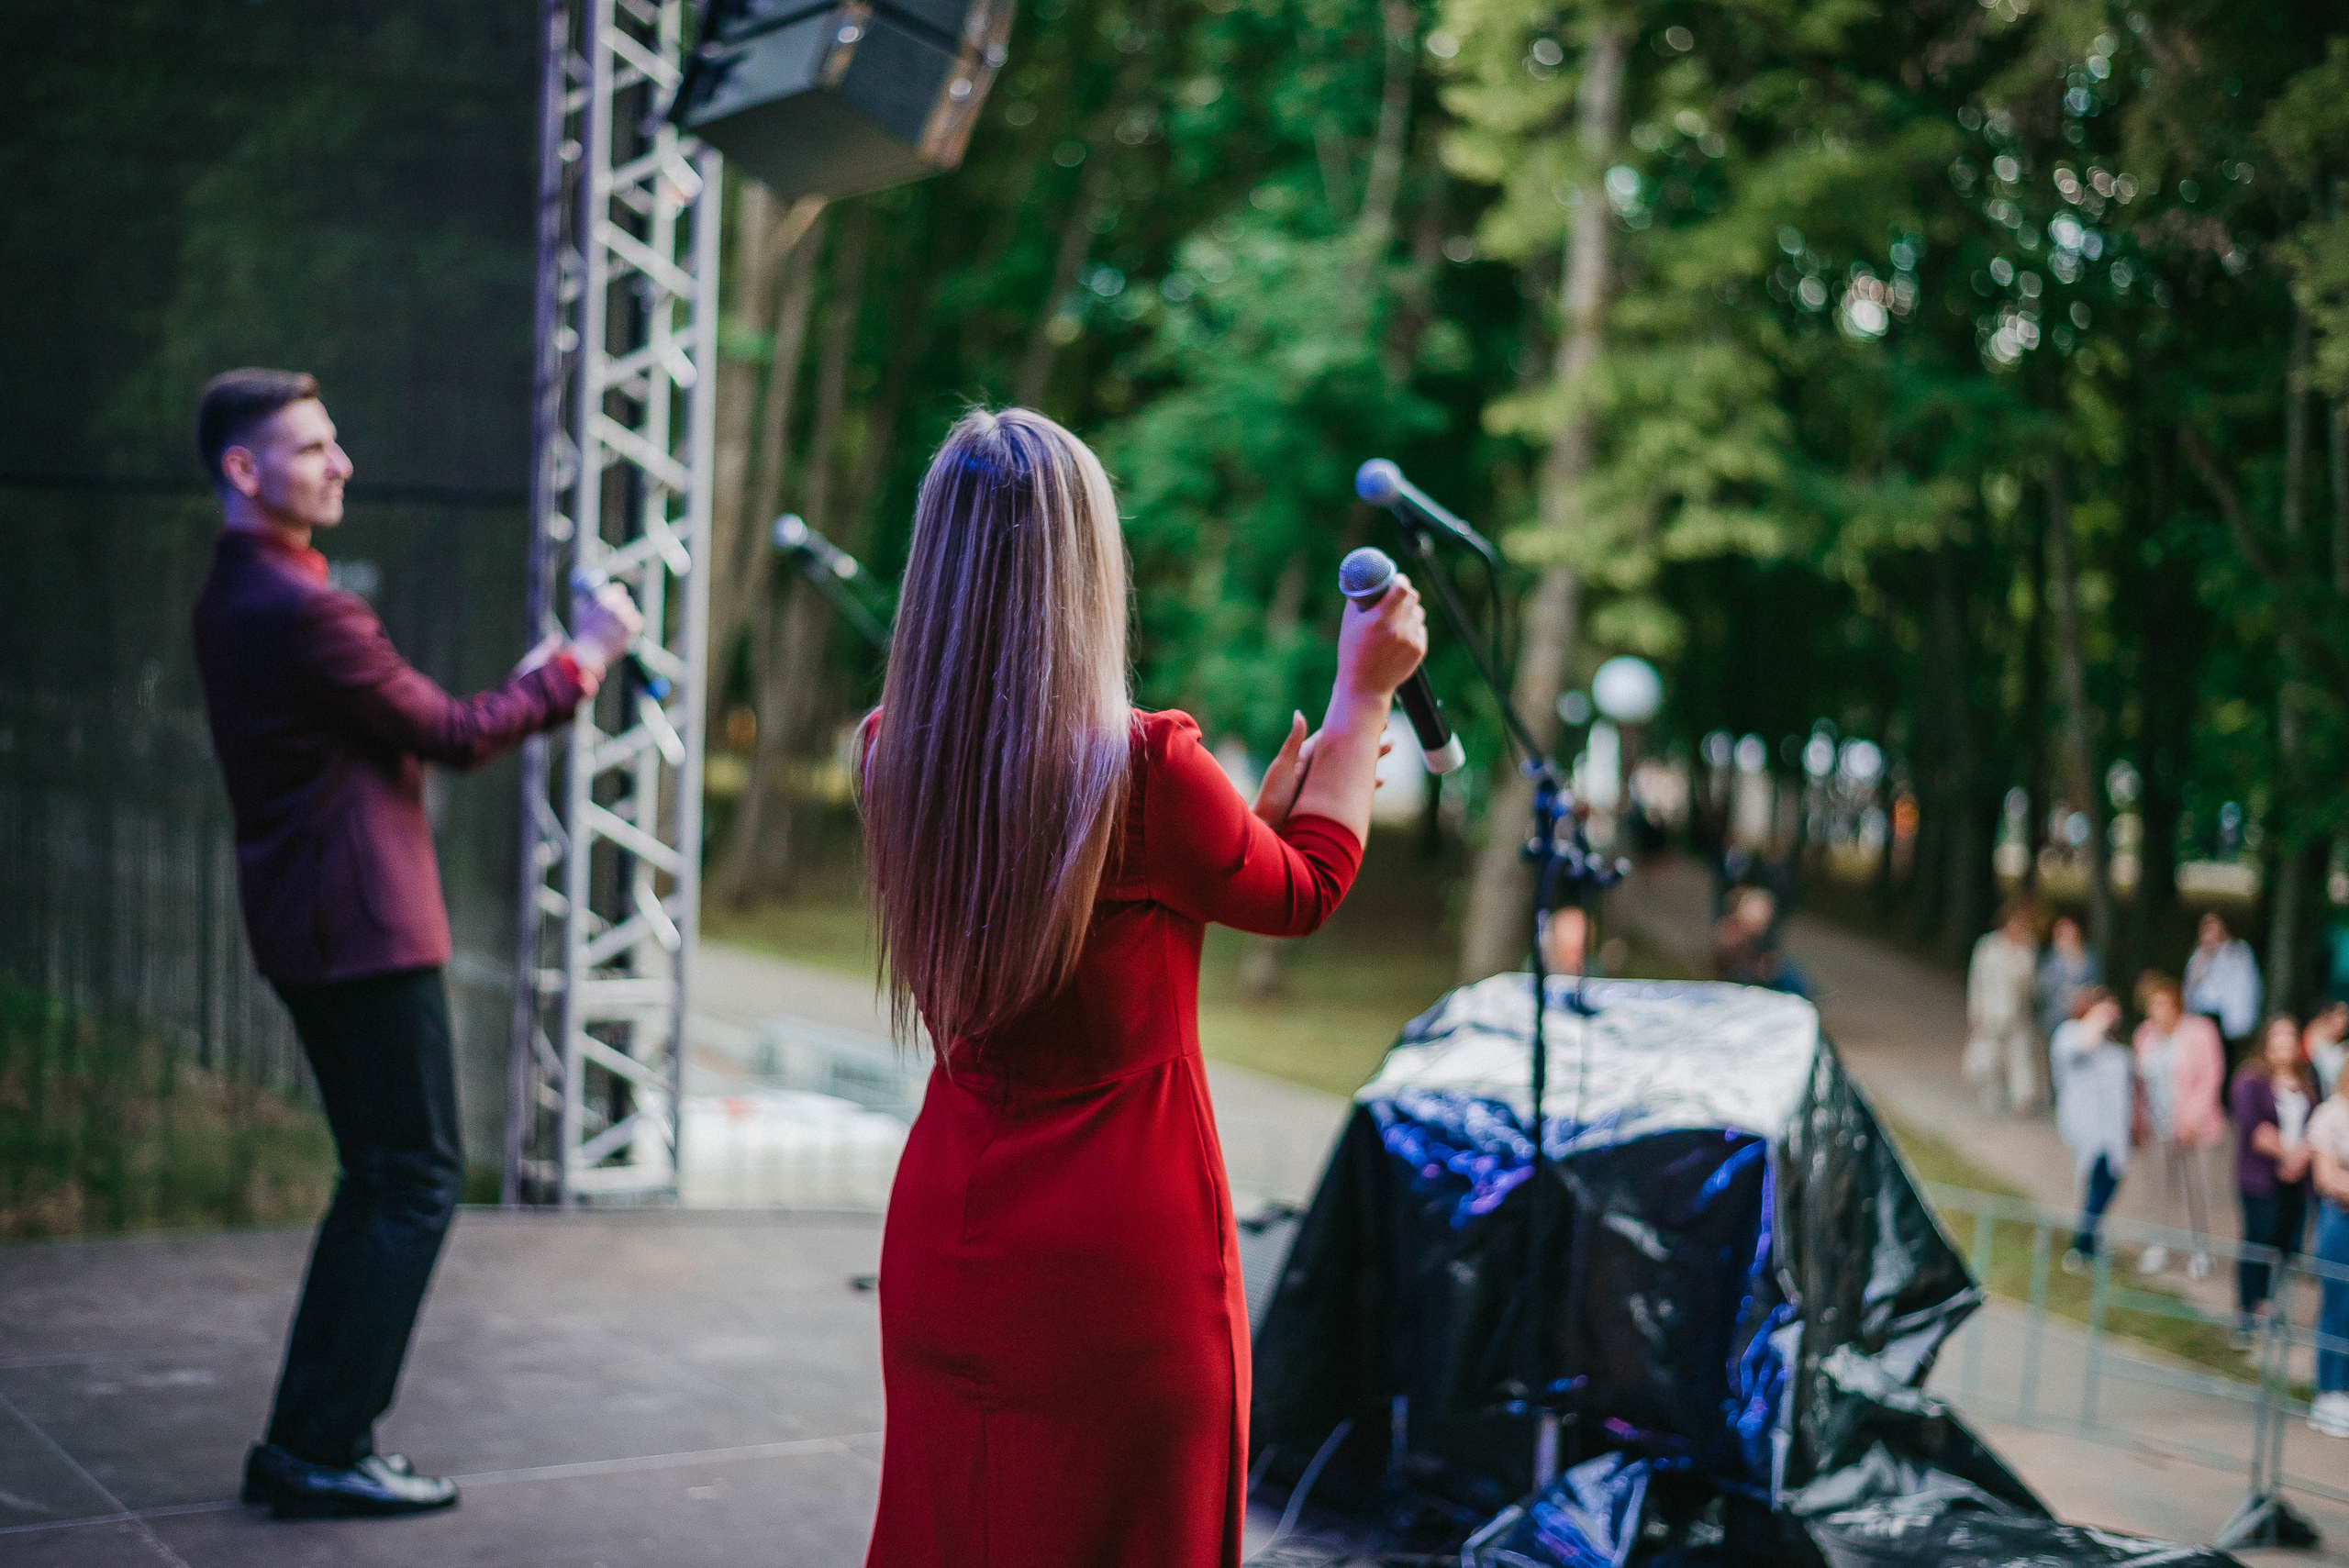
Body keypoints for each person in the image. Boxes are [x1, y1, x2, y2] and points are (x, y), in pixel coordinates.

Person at [856, 408, 1425, 1567]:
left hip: (950, 1243)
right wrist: (1362, 697)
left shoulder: (886, 751)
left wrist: (1231, 836)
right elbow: (1306, 885)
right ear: (1085, 570)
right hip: (1119, 1269)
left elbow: (1080, 929)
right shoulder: (1146, 768)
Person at [189, 369, 638, 1518]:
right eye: (313, 446)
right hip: (360, 933)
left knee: (381, 1177)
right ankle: (321, 1443)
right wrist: (581, 658)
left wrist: (550, 668)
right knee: (416, 1180)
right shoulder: (305, 608)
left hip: (315, 926)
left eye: (336, 440)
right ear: (246, 469)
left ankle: (308, 1438)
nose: (341, 463)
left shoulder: (244, 591)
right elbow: (451, 730)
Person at [2132, 972, 2227, 1279]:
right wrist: (2138, 1118)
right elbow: (2141, 1083)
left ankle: (2201, 1249)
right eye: (2152, 1004)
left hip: (2194, 1128)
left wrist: (2193, 1118)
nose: (2156, 1010)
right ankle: (2158, 1244)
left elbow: (2212, 1075)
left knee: (2196, 1189)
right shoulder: (2145, 1035)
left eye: (2162, 1003)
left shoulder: (2201, 1031)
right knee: (2157, 1187)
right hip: (2158, 1124)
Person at [2232, 1014, 2316, 1345]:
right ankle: (2247, 1310)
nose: (2283, 1044)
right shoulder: (2251, 1080)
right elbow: (2254, 1128)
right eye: (2277, 1037)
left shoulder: (2309, 1082)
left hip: (2296, 1181)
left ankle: (2271, 1304)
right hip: (2260, 1177)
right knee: (2258, 1240)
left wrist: (2302, 1157)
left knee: (2287, 1244)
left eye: (2289, 1037)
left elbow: (2318, 1122)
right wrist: (2288, 1155)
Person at [2052, 985, 2131, 1273]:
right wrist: (2095, 1022)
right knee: (2099, 1178)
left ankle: (2090, 1239)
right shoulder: (2071, 1033)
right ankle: (2082, 1244)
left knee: (2107, 1180)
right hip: (2086, 1125)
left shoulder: (2116, 1051)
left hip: (2113, 1129)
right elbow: (2076, 1051)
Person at [2302, 1060, 2349, 1438]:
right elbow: (2327, 1178)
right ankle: (2328, 1391)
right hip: (2340, 1224)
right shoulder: (2330, 1115)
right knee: (2338, 1306)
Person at [1965, 902, 2041, 1117]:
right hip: (1990, 1011)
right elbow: (1976, 981)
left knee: (2020, 1056)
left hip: (2017, 1015)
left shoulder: (2027, 951)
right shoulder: (1987, 947)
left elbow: (2030, 985)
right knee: (1989, 1056)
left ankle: (2023, 1098)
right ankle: (1990, 1094)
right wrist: (1975, 1010)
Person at [2185, 910, 2263, 1060]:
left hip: (2227, 1017)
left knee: (2226, 1055)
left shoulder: (2237, 951)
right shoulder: (2198, 956)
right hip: (2203, 1012)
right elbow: (2191, 985)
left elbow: (2246, 986)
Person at [2035, 914, 2102, 1046]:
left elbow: (2097, 985)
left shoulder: (2090, 957)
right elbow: (2043, 989)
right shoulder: (2050, 959)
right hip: (2057, 1018)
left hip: (2084, 1015)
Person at [2306, 1000, 2349, 1097]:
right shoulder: (2306, 1044)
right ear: (2325, 1015)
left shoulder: (2343, 1049)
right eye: (2341, 1014)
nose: (2345, 1019)